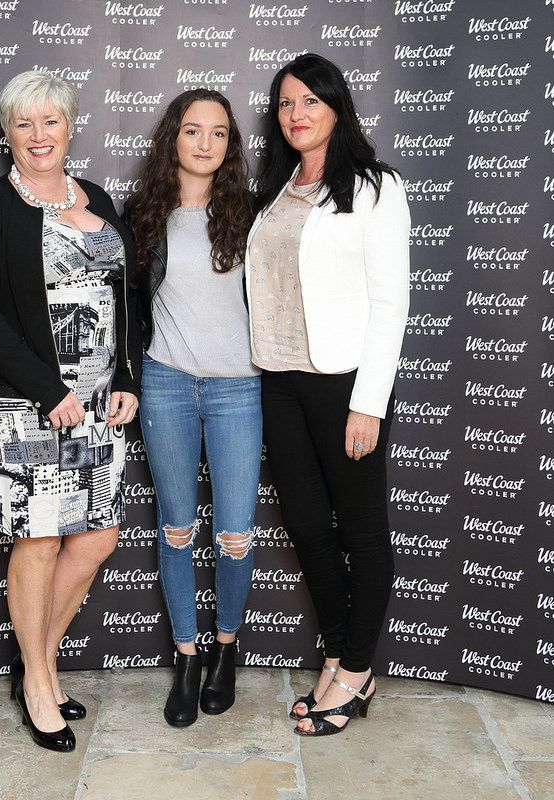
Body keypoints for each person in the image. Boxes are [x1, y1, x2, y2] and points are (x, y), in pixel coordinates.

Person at [0, 71, 141, 751]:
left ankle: (38, 658)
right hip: (22, 406)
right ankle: (39, 684)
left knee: (94, 538)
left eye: (51, 122)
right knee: (37, 540)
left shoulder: (97, 197)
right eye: (24, 124)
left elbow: (123, 299)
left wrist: (124, 374)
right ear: (6, 133)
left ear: (70, 127)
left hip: (96, 407)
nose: (39, 136)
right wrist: (48, 390)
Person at [249, 53, 410, 736]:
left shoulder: (376, 188)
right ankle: (341, 653)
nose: (298, 113)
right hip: (278, 382)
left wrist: (368, 402)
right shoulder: (277, 188)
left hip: (345, 385)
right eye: (286, 103)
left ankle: (354, 669)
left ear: (337, 107)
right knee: (309, 528)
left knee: (363, 533)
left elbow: (390, 300)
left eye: (311, 100)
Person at [125, 89, 262, 727]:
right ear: (172, 141)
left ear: (230, 144)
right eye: (191, 130)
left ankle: (225, 651)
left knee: (233, 534)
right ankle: (185, 656)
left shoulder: (254, 215)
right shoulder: (144, 216)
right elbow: (126, 313)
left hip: (240, 388)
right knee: (176, 528)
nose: (204, 142)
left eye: (217, 132)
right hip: (167, 386)